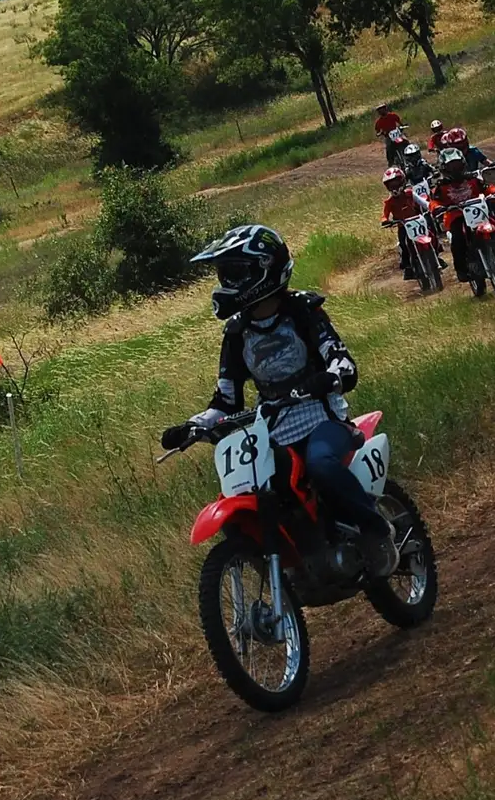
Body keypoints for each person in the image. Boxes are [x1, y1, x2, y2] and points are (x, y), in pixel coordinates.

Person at [164, 225, 397, 574]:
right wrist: (192, 427)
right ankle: (293, 562)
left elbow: (341, 358)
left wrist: (331, 376)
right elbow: (226, 400)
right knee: (255, 490)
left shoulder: (303, 312)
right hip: (272, 432)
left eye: (234, 273)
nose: (226, 284)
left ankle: (377, 531)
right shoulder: (237, 333)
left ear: (263, 269)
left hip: (323, 420)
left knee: (320, 464)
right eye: (223, 275)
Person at [428, 145, 495, 281]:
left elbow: (486, 188)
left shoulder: (472, 179)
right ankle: (462, 270)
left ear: (463, 164)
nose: (455, 169)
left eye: (457, 165)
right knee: (458, 238)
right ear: (444, 168)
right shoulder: (441, 186)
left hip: (478, 211)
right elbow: (434, 201)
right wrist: (437, 208)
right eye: (451, 166)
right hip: (456, 216)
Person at [381, 166, 428, 278]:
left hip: (418, 221)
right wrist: (385, 221)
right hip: (403, 226)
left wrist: (430, 207)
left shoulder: (410, 193)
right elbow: (384, 214)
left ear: (402, 181)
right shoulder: (389, 201)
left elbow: (423, 202)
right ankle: (408, 267)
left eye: (396, 183)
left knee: (430, 234)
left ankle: (435, 253)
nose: (394, 187)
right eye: (391, 185)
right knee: (404, 244)